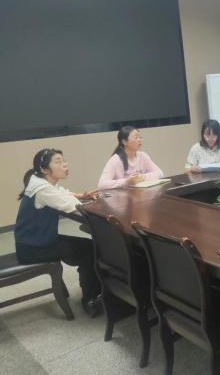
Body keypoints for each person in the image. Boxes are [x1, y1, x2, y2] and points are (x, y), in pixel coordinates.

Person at [14, 149, 102, 316]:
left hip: (36, 241)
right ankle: (90, 300)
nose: (65, 165)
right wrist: (85, 203)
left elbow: (60, 192)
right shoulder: (42, 189)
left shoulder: (39, 181)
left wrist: (79, 195)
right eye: (58, 162)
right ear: (44, 169)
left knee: (88, 246)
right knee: (89, 250)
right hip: (34, 248)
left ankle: (96, 290)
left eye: (64, 160)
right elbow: (71, 205)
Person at [98, 126, 164, 190]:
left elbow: (160, 173)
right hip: (122, 196)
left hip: (141, 194)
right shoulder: (115, 160)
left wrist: (142, 177)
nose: (139, 140)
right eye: (136, 137)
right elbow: (102, 184)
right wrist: (126, 181)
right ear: (124, 142)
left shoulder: (143, 156)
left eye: (140, 137)